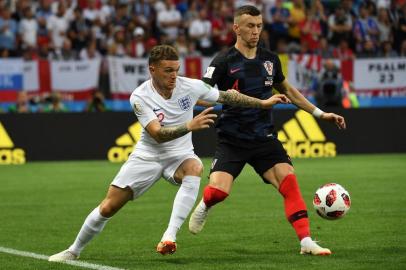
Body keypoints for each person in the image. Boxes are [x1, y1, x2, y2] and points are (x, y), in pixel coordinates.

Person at [48, 44, 290, 262]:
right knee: (109, 207)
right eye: (168, 71)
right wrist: (189, 126)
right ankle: (74, 250)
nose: (174, 75)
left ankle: (169, 237)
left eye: (176, 69)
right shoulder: (140, 96)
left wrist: (262, 103)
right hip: (148, 155)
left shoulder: (190, 86)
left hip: (180, 156)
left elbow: (227, 96)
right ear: (152, 69)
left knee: (195, 168)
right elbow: (157, 133)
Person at [189, 5, 346, 256]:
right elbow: (199, 97)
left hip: (264, 137)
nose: (256, 31)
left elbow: (289, 91)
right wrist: (225, 98)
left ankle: (306, 241)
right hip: (232, 139)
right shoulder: (223, 61)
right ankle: (206, 204)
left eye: (259, 26)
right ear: (236, 28)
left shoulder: (270, 60)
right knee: (218, 192)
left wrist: (320, 113)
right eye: (250, 26)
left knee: (289, 181)